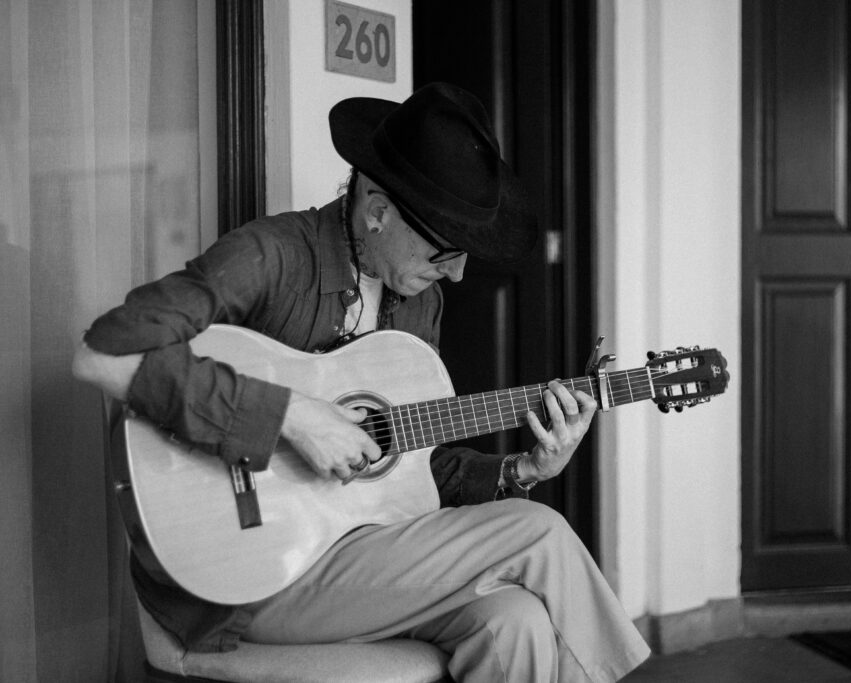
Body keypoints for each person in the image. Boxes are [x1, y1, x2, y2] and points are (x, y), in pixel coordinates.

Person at [72, 82, 650, 681]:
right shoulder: (272, 256)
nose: (457, 275)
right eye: (446, 251)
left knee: (514, 621)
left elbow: (412, 466)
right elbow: (101, 356)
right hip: (253, 568)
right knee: (540, 531)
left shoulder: (419, 301)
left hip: (361, 556)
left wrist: (521, 470)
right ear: (377, 212)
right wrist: (293, 417)